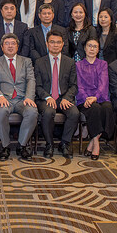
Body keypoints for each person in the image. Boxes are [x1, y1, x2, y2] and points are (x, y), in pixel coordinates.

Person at [0, 33, 38, 161]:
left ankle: (22, 145)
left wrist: (29, 97)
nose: (10, 46)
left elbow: (31, 80)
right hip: (5, 99)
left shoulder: (26, 61)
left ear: (17, 46)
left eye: (13, 43)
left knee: (32, 112)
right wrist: (0, 96)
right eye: (7, 44)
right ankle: (5, 146)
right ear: (2, 47)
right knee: (0, 112)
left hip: (22, 99)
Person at [34, 30, 79, 158]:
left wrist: (67, 98)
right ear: (47, 44)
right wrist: (47, 97)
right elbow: (37, 86)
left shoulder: (69, 62)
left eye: (58, 42)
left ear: (63, 44)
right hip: (45, 98)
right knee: (48, 112)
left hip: (63, 98)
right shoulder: (39, 62)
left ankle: (64, 143)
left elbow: (74, 85)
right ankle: (49, 144)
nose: (55, 45)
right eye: (52, 42)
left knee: (74, 113)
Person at [76, 39, 115, 160]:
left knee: (108, 107)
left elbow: (104, 84)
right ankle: (96, 143)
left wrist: (96, 97)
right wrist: (87, 98)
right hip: (84, 99)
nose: (92, 49)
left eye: (95, 47)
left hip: (100, 97)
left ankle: (93, 141)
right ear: (85, 48)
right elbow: (78, 85)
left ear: (98, 50)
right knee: (95, 108)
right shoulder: (78, 65)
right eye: (89, 46)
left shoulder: (103, 64)